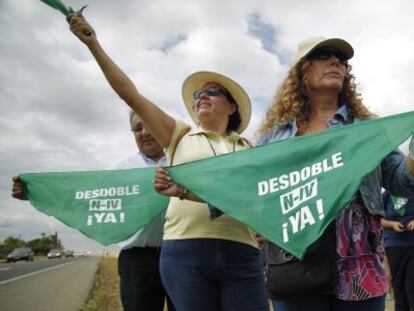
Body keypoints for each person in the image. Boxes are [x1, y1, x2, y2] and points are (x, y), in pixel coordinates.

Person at [67, 11, 268, 311]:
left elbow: (257, 199)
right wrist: (93, 44)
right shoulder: (179, 136)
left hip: (243, 253)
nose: (202, 96)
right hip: (185, 253)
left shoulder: (250, 148)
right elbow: (131, 96)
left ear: (231, 105)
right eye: (199, 93)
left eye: (212, 92)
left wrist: (187, 192)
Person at [256, 36, 414, 310]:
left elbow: (402, 182)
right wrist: (186, 189)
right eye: (324, 55)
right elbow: (251, 189)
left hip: (359, 262)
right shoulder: (274, 137)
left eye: (342, 60)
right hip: (293, 260)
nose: (336, 62)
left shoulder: (367, 130)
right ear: (302, 70)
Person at [12, 111, 175, 311]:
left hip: (182, 255)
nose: (144, 132)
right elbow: (81, 196)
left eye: (148, 124)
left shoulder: (183, 160)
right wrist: (35, 192)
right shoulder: (119, 170)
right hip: (137, 262)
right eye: (137, 128)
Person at [381, 191, 414, 311]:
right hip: (394, 245)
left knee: (411, 287)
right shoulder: (387, 195)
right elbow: (377, 219)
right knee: (399, 289)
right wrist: (391, 224)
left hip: (412, 244)